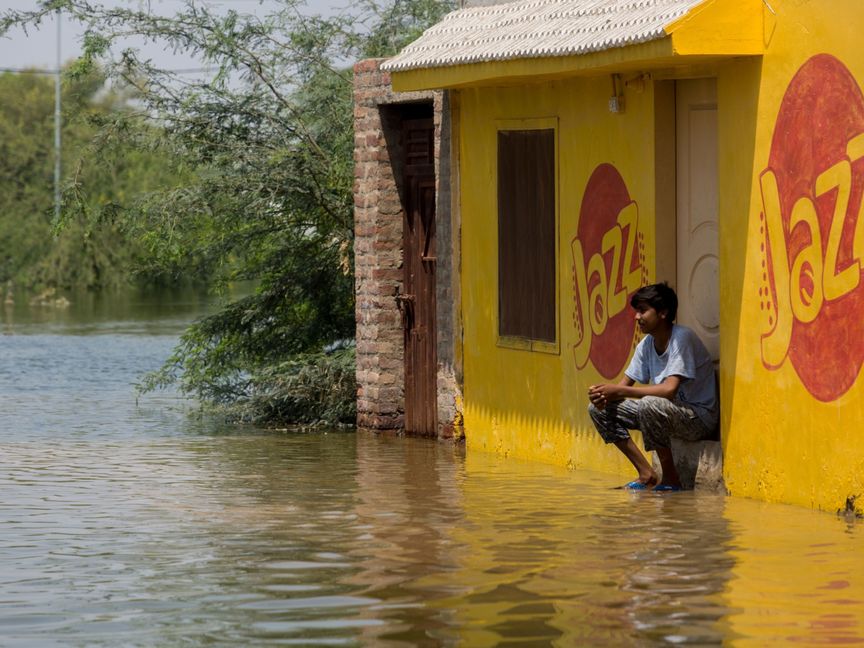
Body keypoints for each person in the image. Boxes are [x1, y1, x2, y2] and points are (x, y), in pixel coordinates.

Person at [587, 282, 718, 492]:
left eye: (642, 311)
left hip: (697, 418)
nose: (636, 317)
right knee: (597, 410)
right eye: (636, 311)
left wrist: (619, 391)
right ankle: (646, 474)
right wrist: (602, 395)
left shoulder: (681, 338)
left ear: (663, 313)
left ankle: (671, 478)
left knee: (650, 404)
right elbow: (623, 387)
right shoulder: (646, 344)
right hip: (666, 414)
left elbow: (669, 390)